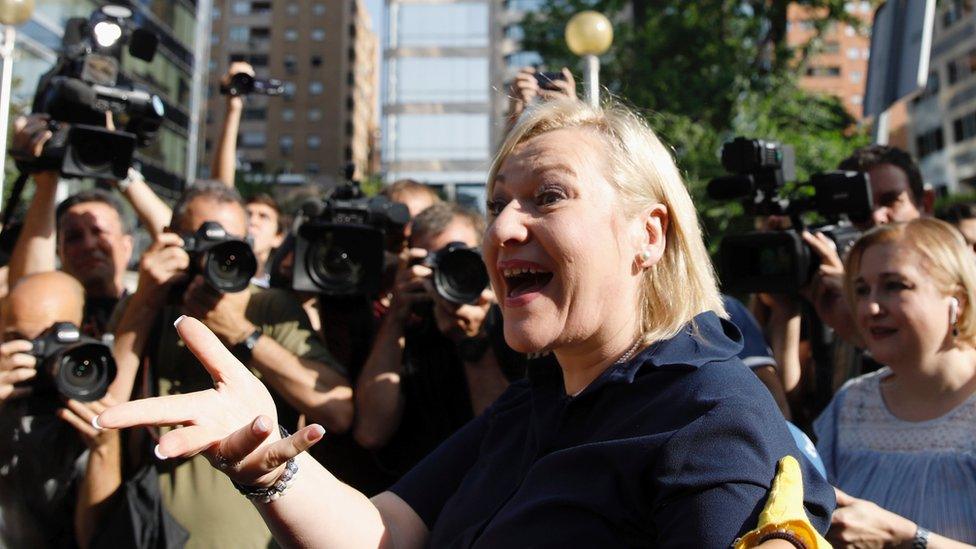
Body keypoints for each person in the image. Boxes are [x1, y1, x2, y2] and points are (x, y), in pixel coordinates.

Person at [97, 99, 832, 546]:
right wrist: (270, 465)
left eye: (548, 195)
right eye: (497, 200)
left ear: (648, 234)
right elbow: (385, 531)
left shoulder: (712, 416)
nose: (503, 225)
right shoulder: (536, 399)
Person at [105, 181, 352, 547]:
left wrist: (245, 333)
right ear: (172, 238)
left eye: (230, 246)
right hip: (155, 528)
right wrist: (145, 300)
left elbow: (338, 410)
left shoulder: (267, 307)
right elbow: (106, 408)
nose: (215, 259)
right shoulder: (147, 304)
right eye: (201, 241)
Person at [814, 218, 976, 547]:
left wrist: (907, 539)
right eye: (861, 290)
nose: (871, 307)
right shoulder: (852, 405)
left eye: (895, 285)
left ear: (955, 301)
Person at [354, 203, 524, 480]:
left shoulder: (512, 324)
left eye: (460, 256)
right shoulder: (400, 329)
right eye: (435, 262)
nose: (449, 271)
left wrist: (472, 341)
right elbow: (371, 432)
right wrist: (396, 316)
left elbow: (507, 439)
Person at [7, 114, 172, 337]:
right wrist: (45, 181)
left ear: (127, 245)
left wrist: (121, 168)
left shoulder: (149, 310)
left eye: (100, 232)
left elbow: (176, 240)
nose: (89, 244)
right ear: (59, 251)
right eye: (74, 237)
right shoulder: (50, 315)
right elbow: (30, 285)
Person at [0, 272, 121, 548]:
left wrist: (105, 449)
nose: (40, 360)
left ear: (88, 334)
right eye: (21, 342)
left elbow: (95, 539)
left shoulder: (97, 399)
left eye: (54, 340)